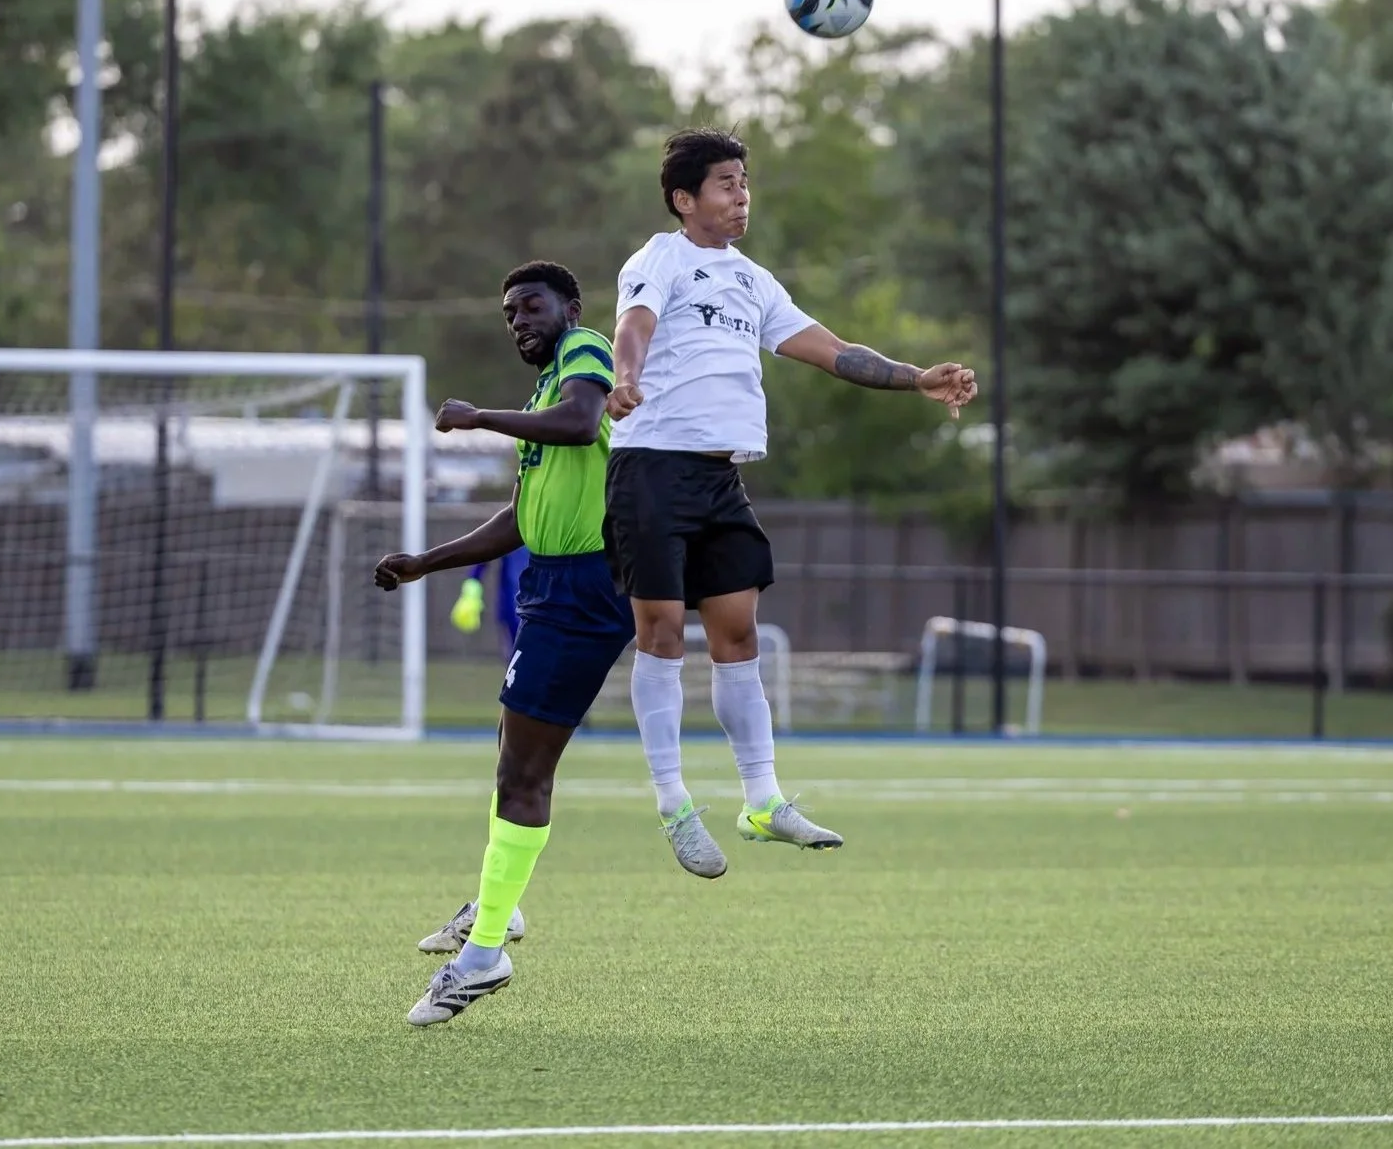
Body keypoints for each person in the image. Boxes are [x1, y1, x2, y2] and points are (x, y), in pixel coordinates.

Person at [606, 127, 978, 876]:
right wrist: (625, 376)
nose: (741, 196)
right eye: (725, 184)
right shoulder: (660, 258)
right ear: (685, 199)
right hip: (652, 468)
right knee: (664, 634)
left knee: (738, 633)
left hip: (719, 478)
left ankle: (763, 801)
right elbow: (633, 326)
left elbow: (835, 352)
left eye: (745, 182)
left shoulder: (752, 280)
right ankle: (674, 802)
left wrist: (917, 378)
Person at [374, 262, 635, 1026]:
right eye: (509, 312)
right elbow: (520, 517)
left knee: (524, 776)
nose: (518, 319)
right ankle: (499, 910)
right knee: (510, 762)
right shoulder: (541, 390)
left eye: (531, 305)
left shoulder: (585, 351)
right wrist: (425, 563)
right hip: (550, 587)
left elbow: (584, 423)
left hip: (586, 589)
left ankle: (485, 954)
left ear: (570, 308)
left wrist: (479, 416)